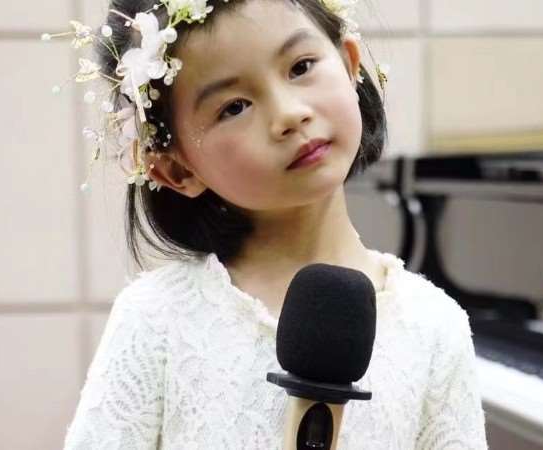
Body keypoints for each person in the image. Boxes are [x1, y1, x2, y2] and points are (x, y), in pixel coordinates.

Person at [54, 0, 488, 448]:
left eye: (300, 67)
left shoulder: (434, 325)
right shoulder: (157, 318)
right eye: (234, 107)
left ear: (349, 64)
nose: (288, 115)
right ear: (176, 170)